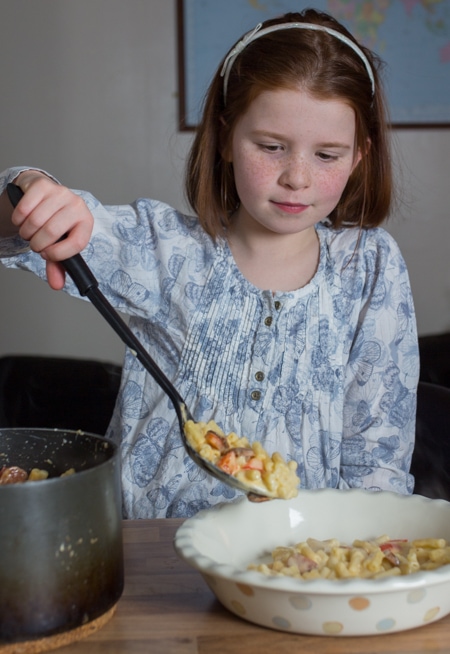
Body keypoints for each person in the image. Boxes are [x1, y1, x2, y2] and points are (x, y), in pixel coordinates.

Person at [0, 9, 419, 518]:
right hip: (147, 558)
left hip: (300, 565)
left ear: (359, 157)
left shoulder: (370, 266)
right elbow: (15, 221)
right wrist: (32, 189)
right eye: (271, 146)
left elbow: (378, 462)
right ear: (224, 139)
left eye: (327, 155)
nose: (297, 178)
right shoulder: (164, 250)